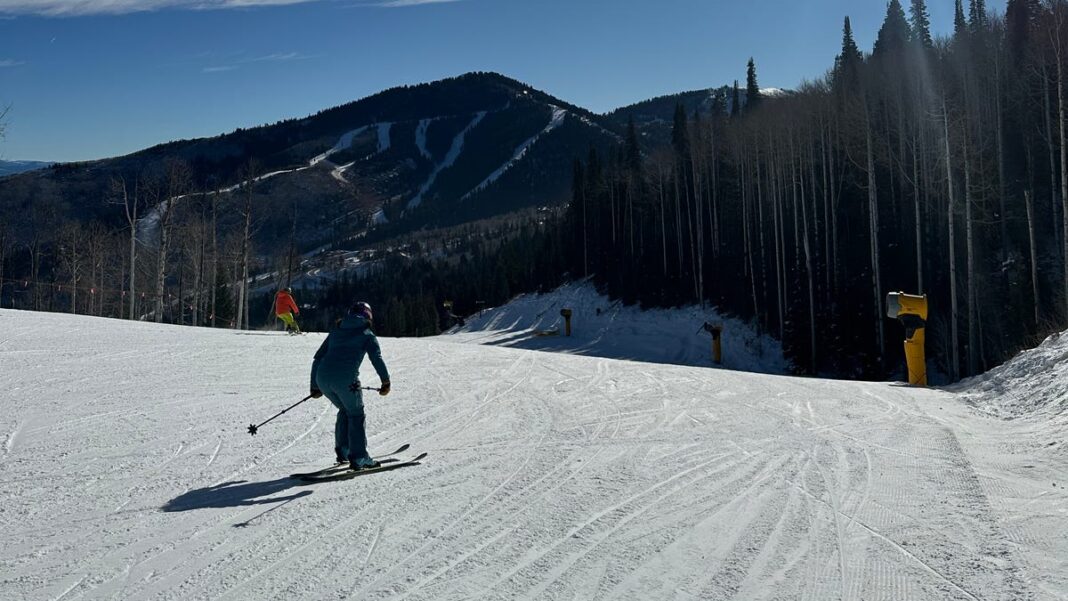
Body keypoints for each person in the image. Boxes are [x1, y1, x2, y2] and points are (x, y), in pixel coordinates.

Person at [309, 301, 391, 470]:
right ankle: (359, 457)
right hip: (346, 381)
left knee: (345, 410)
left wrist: (314, 386)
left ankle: (343, 451)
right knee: (355, 413)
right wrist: (385, 382)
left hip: (322, 378)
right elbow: (376, 358)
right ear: (368, 315)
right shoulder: (367, 334)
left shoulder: (336, 331)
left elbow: (318, 358)